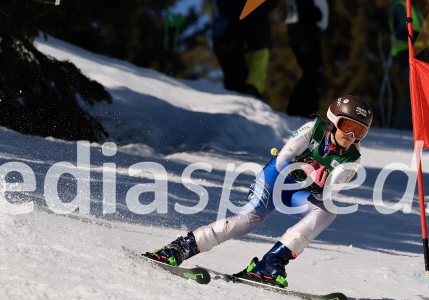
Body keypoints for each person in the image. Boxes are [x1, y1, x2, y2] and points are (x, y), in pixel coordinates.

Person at [148, 95, 373, 288]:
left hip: (299, 194)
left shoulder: (352, 159)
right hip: (276, 179)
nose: (351, 136)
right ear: (334, 120)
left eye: (359, 132)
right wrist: (302, 169)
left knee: (328, 211)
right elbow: (283, 158)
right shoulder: (315, 129)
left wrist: (320, 184)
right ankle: (180, 248)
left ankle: (271, 264)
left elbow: (326, 197)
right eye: (347, 127)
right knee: (248, 221)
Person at [284, 0, 329, 117]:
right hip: (303, 26)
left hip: (307, 26)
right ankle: (301, 112)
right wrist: (314, 13)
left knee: (313, 71)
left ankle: (304, 112)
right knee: (313, 70)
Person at [388, 0, 428, 129]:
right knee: (411, 89)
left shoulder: (415, 8)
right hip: (406, 52)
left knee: (418, 90)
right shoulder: (400, 5)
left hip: (418, 53)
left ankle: (413, 125)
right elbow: (400, 31)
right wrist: (416, 35)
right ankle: (402, 126)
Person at [238, 0, 279, 98]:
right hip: (256, 40)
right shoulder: (252, 0)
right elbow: (274, 1)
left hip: (253, 40)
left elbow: (274, 1)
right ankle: (252, 89)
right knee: (256, 66)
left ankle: (252, 89)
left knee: (255, 66)